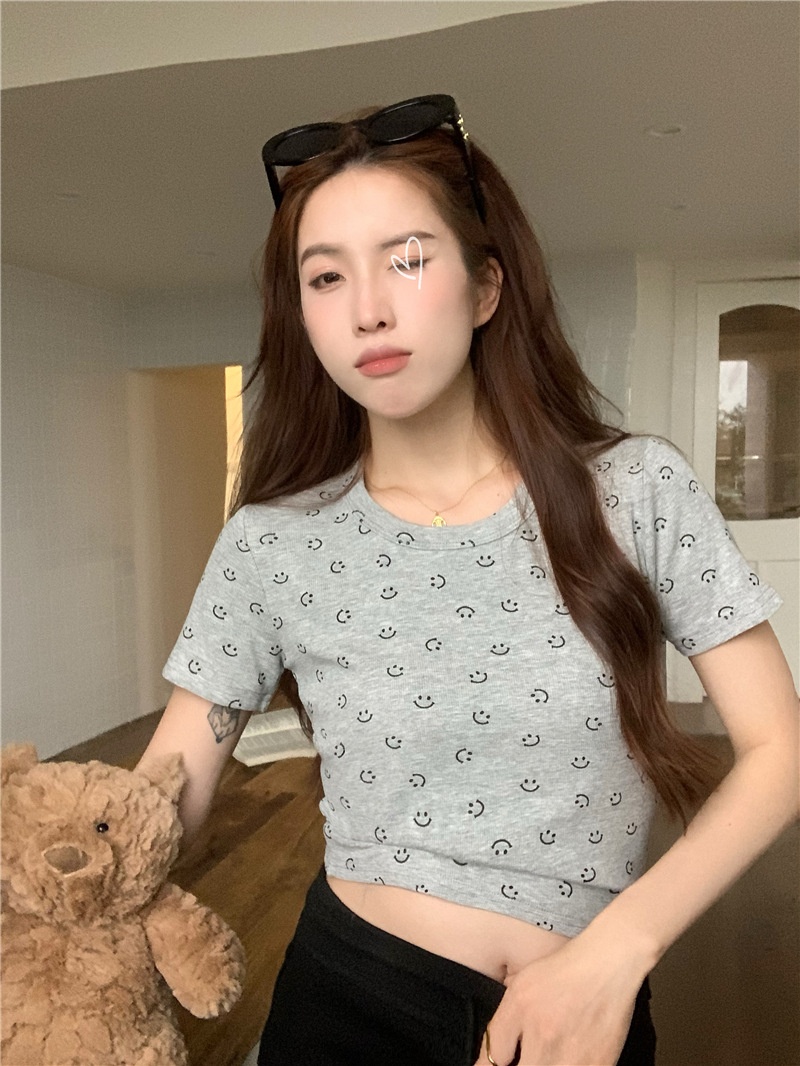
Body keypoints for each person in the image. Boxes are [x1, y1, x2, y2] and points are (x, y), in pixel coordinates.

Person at [135, 95, 798, 1066]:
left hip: (578, 1014)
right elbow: (167, 792)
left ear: (486, 285)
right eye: (326, 276)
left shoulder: (636, 489)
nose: (367, 308)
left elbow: (779, 749)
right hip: (348, 997)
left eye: (407, 258)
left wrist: (618, 951)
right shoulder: (270, 542)